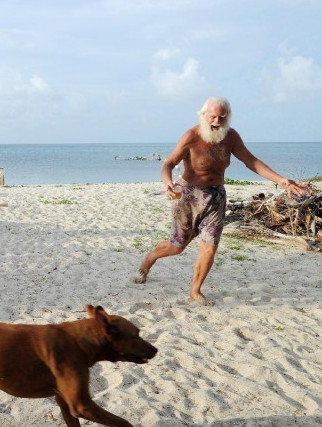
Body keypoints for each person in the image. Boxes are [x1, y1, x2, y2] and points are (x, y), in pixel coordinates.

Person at [132, 96, 309, 306]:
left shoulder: (231, 137)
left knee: (210, 246)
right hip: (189, 196)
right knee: (177, 247)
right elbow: (169, 163)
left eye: (222, 117)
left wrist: (282, 180)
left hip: (216, 198)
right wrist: (167, 182)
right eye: (213, 117)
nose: (217, 121)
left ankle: (195, 291)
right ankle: (148, 261)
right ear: (203, 115)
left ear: (228, 118)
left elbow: (251, 161)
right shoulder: (191, 136)